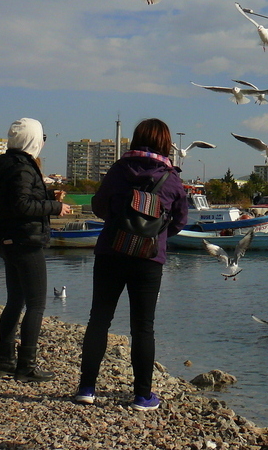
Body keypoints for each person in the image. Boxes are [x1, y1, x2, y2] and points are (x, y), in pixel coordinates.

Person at [74, 118, 188, 411]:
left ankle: (86, 388)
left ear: (135, 140)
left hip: (111, 251)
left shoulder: (118, 170)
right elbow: (180, 220)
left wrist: (118, 222)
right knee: (143, 327)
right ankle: (142, 396)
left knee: (99, 319)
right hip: (148, 259)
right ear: (166, 144)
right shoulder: (171, 178)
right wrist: (156, 235)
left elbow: (98, 205)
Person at [0, 118, 72, 382]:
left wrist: (47, 198)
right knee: (36, 305)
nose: (42, 144)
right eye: (42, 139)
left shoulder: (5, 167)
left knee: (15, 302)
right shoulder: (24, 168)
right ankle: (26, 366)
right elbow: (21, 206)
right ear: (33, 140)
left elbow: (15, 201)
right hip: (26, 242)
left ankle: (3, 363)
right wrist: (55, 208)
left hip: (5, 242)